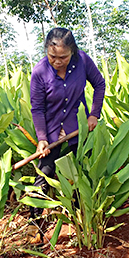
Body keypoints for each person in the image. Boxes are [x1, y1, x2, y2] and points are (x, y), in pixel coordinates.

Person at [28, 27, 105, 241]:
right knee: (43, 174)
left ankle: (84, 221)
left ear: (72, 51)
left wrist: (94, 114)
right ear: (46, 51)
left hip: (77, 127)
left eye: (63, 57)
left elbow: (99, 84)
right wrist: (42, 138)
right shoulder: (40, 71)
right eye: (52, 56)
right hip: (52, 131)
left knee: (81, 173)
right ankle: (34, 226)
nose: (57, 61)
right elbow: (37, 108)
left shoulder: (82, 61)